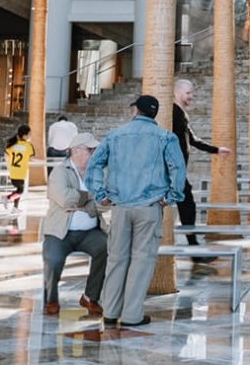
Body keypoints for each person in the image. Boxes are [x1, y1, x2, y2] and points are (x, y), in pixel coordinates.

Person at [85, 95, 185, 328]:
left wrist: (100, 194)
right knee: (142, 261)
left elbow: (94, 166)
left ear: (135, 111)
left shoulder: (115, 135)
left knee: (116, 258)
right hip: (149, 207)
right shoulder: (165, 137)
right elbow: (178, 169)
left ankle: (110, 312)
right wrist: (170, 197)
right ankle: (131, 316)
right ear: (154, 114)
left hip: (120, 207)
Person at [40, 128, 106, 316]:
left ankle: (90, 297)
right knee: (53, 259)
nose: (94, 154)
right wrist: (88, 198)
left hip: (90, 232)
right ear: (76, 150)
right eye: (90, 150)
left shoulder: (97, 173)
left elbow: (103, 202)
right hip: (60, 231)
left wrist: (84, 204)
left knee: (108, 247)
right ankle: (51, 299)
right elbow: (64, 199)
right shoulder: (60, 172)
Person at [169, 80, 221, 245]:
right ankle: (193, 245)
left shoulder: (181, 113)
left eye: (192, 93)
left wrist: (216, 150)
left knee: (187, 204)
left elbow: (191, 139)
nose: (191, 96)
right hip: (172, 168)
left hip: (177, 169)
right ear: (177, 92)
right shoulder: (173, 113)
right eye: (188, 93)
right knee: (187, 203)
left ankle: (193, 244)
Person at [3, 126, 34, 210]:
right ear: (24, 136)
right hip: (21, 172)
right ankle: (7, 198)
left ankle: (15, 207)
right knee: (21, 190)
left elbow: (6, 154)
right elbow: (31, 159)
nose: (31, 136)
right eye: (29, 134)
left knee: (18, 189)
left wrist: (8, 165)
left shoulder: (13, 144)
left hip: (13, 171)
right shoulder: (28, 146)